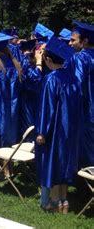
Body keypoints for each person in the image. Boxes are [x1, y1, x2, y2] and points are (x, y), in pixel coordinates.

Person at [36, 36, 82, 213]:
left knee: (53, 163)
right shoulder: (73, 79)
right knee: (64, 163)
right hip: (69, 129)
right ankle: (64, 201)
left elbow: (46, 108)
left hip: (54, 130)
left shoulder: (51, 79)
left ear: (47, 60)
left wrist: (41, 131)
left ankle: (53, 203)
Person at [69, 21, 94, 168]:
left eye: (73, 40)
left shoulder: (80, 58)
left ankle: (87, 186)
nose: (70, 43)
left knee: (88, 148)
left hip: (86, 111)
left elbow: (76, 86)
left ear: (84, 41)